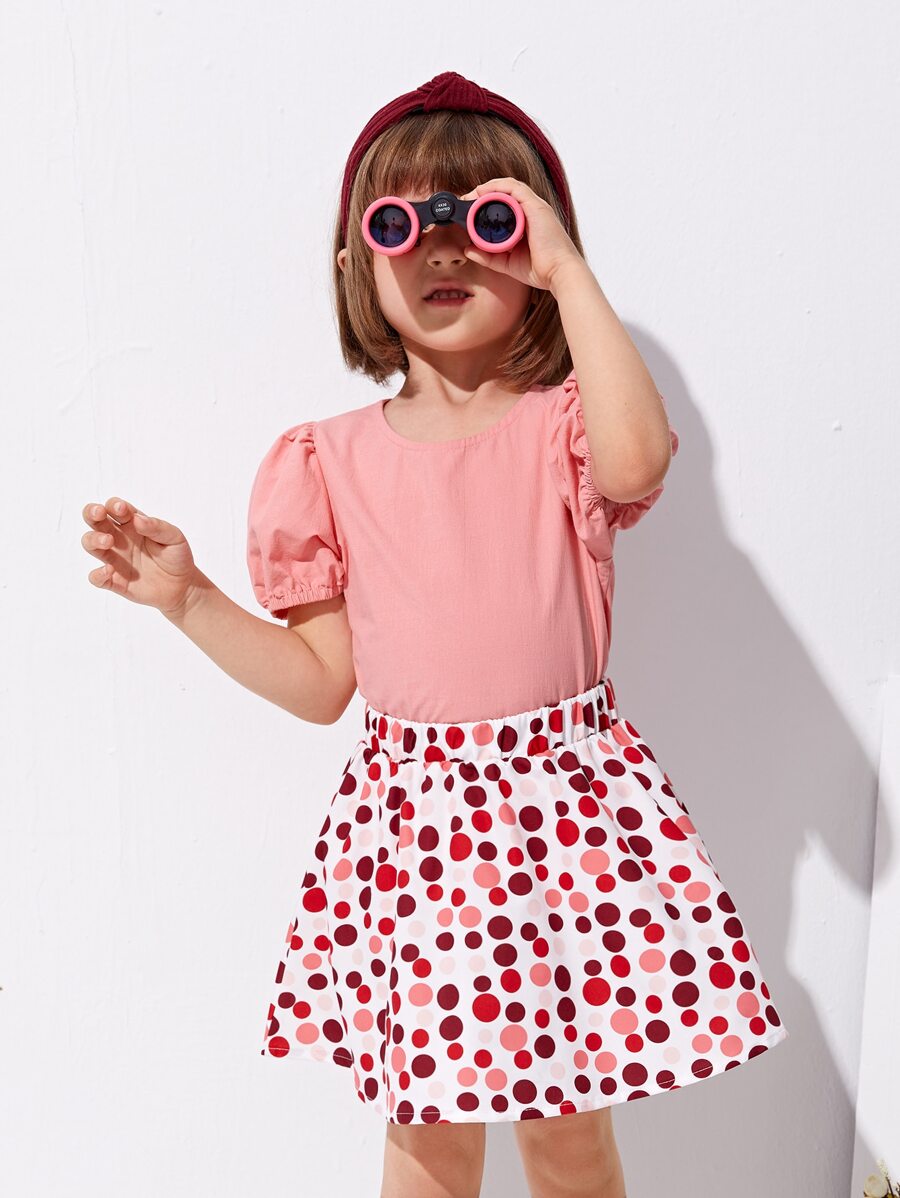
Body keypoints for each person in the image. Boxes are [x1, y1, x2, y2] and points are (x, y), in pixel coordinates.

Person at [81, 71, 789, 1198]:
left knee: (568, 1136)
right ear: (357, 264)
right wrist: (189, 597)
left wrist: (566, 269)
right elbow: (322, 684)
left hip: (565, 821)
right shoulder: (325, 461)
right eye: (401, 225)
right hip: (421, 840)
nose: (445, 248)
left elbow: (639, 463)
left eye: (487, 221)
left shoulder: (567, 428)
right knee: (428, 1141)